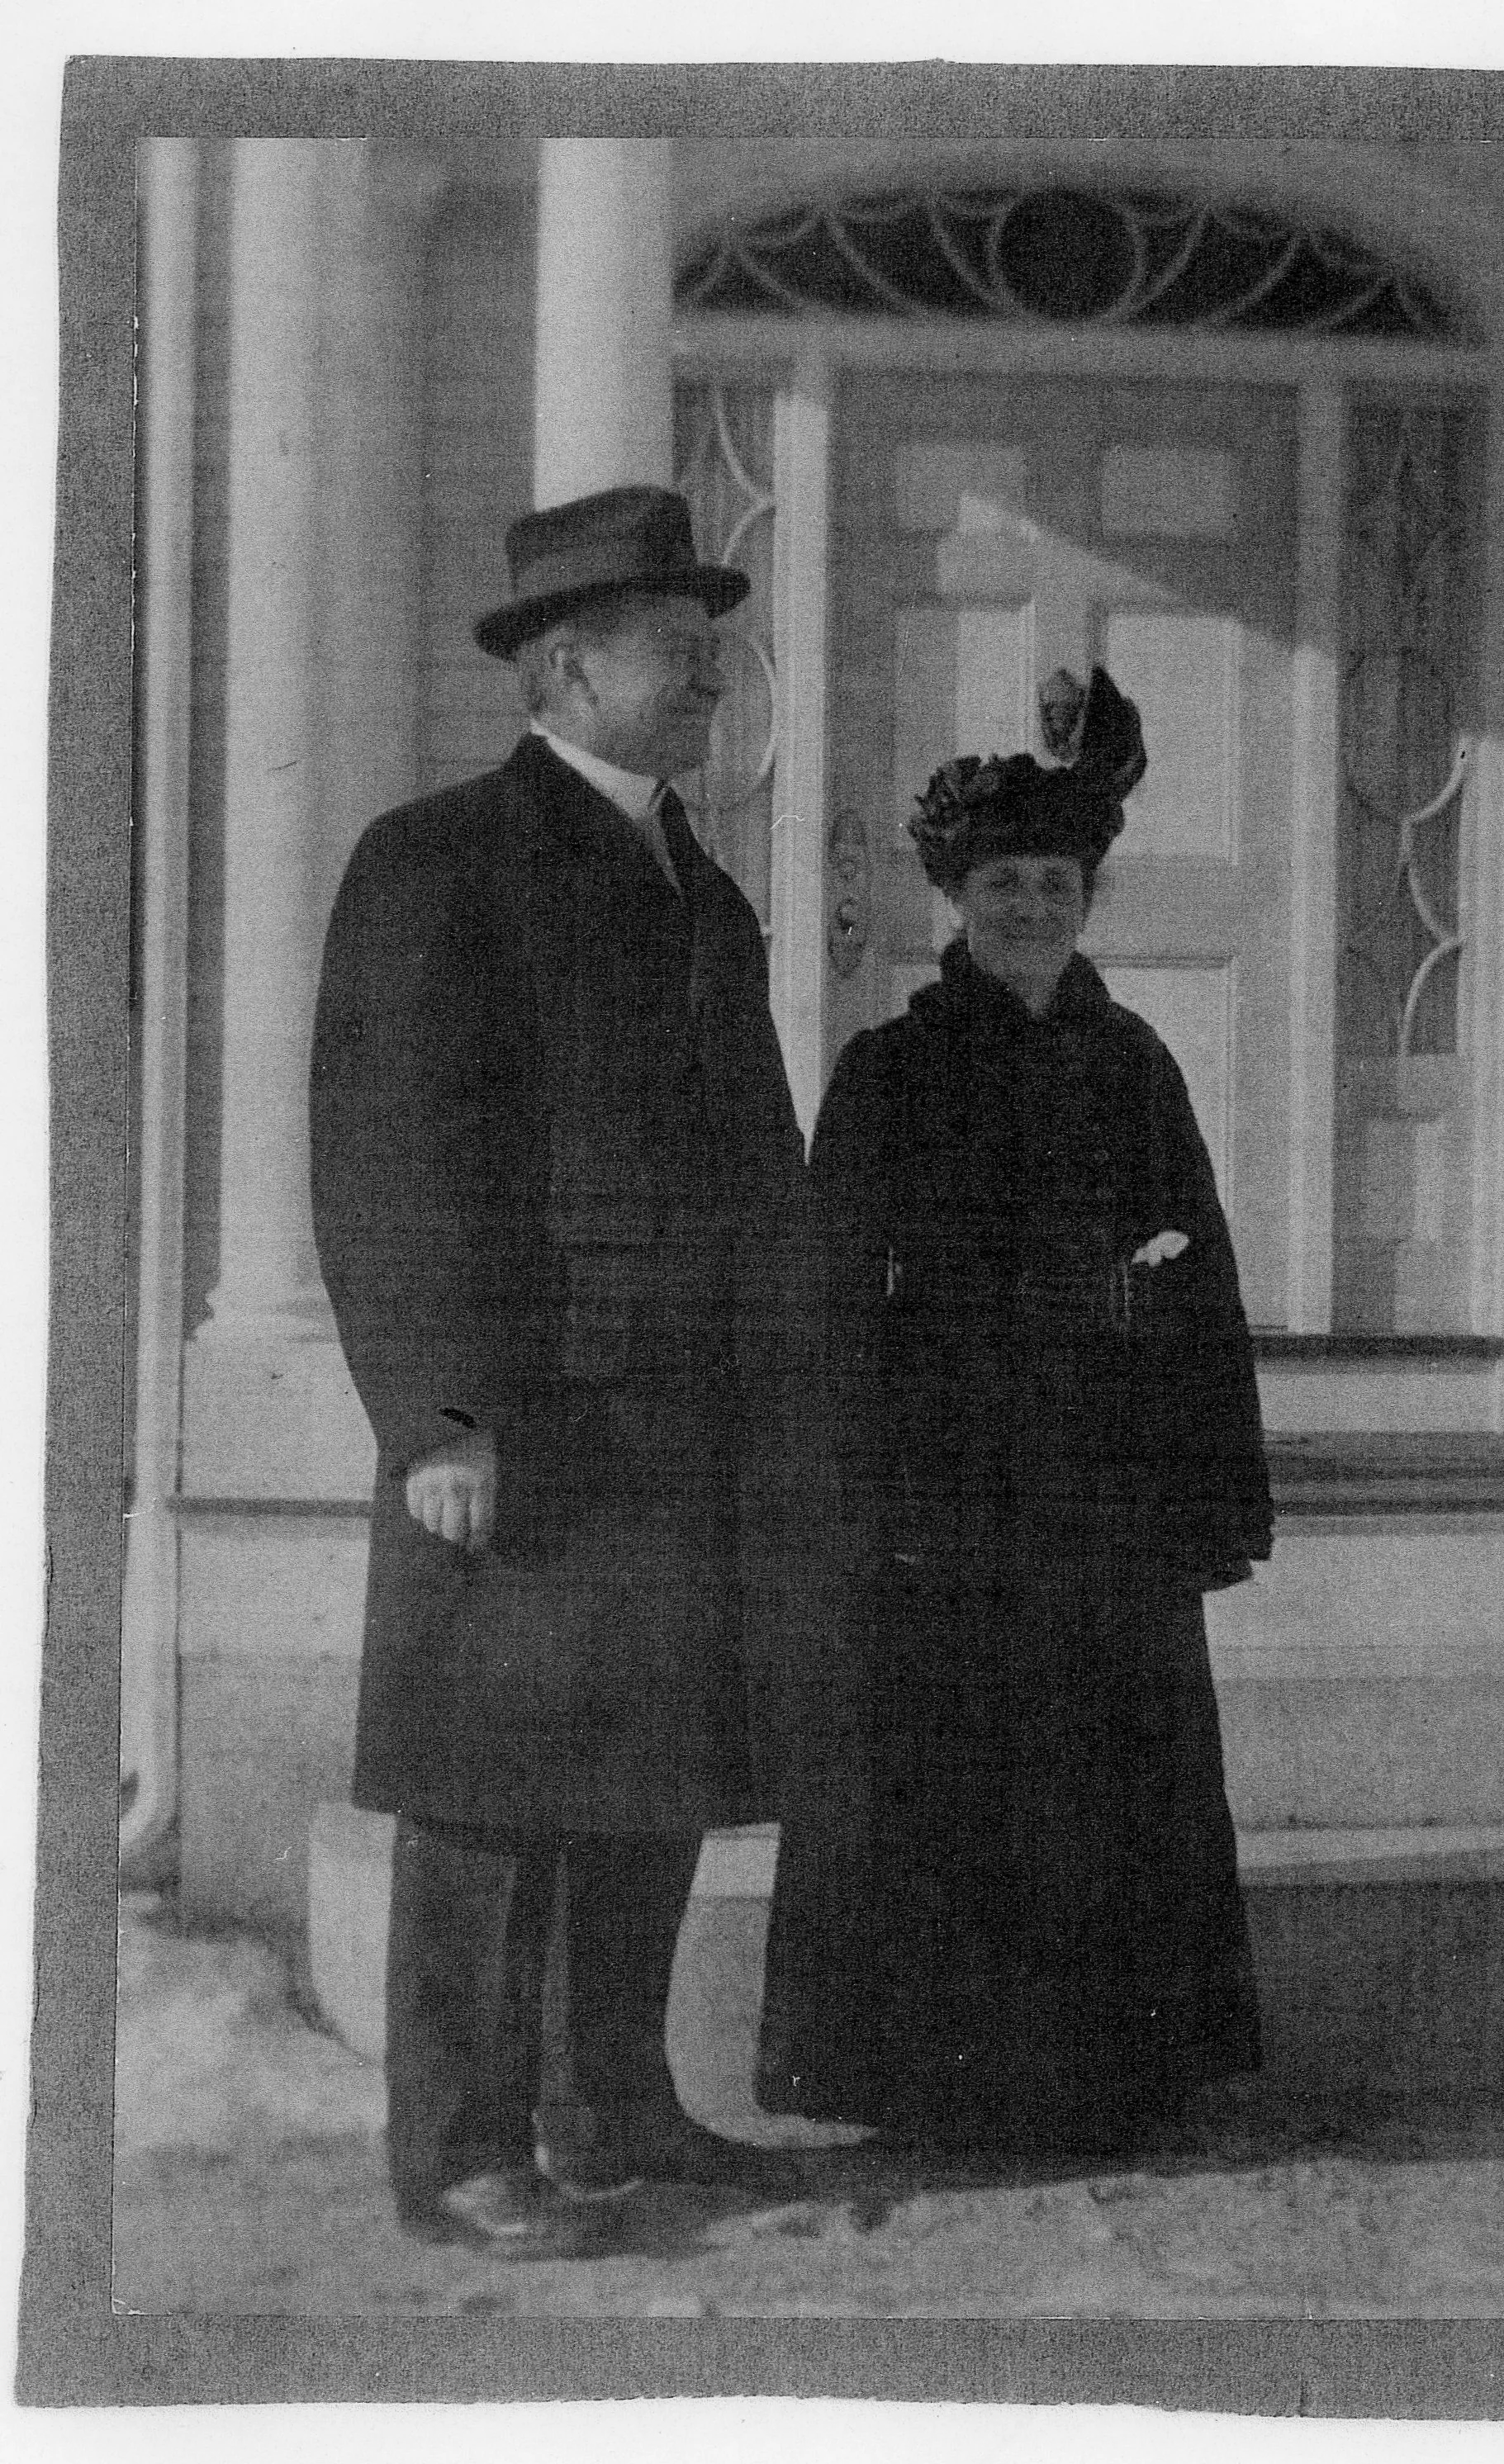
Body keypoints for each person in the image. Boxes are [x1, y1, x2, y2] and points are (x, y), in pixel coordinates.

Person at [311, 486, 817, 2257]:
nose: (709, 680)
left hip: (685, 1422)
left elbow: (753, 1157)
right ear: (568, 664)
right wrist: (434, 1414)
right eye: (682, 652)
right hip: (522, 1420)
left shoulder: (704, 883)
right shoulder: (436, 856)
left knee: (652, 1773)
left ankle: (614, 2116)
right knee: (490, 1792)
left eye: (709, 650)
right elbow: (387, 1156)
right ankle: (458, 2152)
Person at [757, 668, 1275, 2161]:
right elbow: (844, 1299)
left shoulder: (1134, 1064)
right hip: (954, 1505)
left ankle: (1115, 2084)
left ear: (1088, 899)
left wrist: (1184, 1436)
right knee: (961, 1776)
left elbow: (1203, 1268)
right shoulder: (894, 1071)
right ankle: (948, 2090)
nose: (1032, 908)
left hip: (1108, 1502)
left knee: (1110, 1779)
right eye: (1004, 883)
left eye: (1057, 882)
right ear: (956, 899)